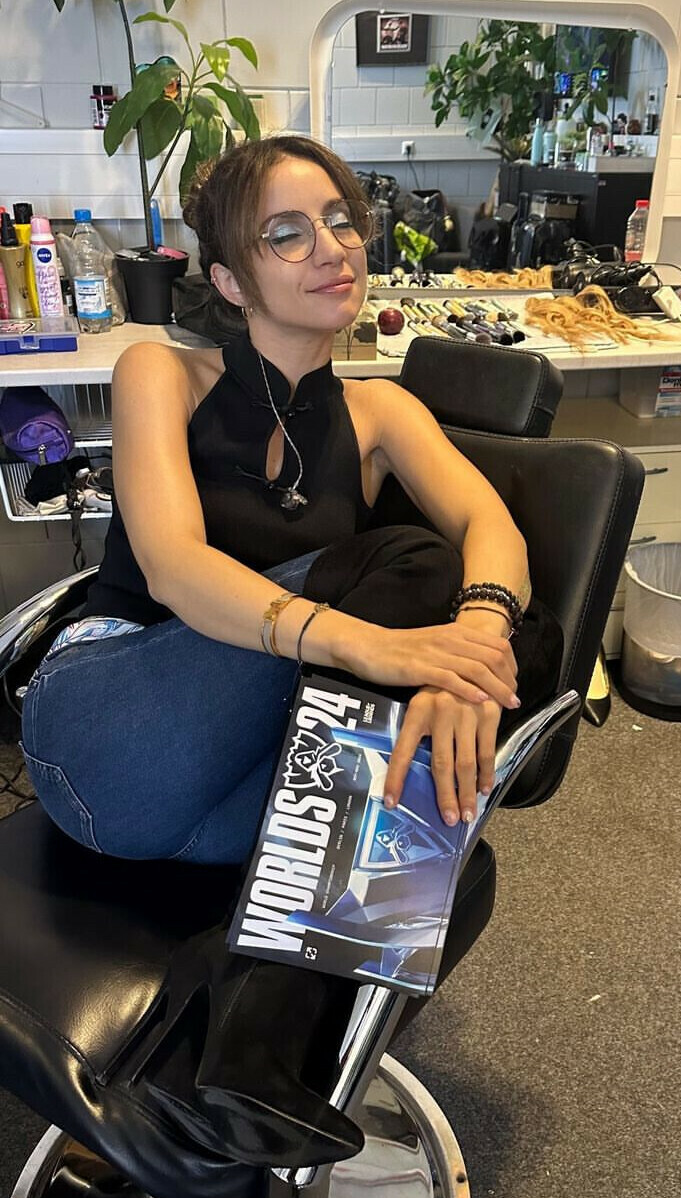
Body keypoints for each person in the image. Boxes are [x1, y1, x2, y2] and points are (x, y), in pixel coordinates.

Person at [20, 134, 550, 870]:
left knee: (499, 616)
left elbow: (490, 523)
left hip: (237, 797)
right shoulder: (162, 373)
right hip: (116, 733)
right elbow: (173, 566)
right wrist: (372, 645)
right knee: (417, 559)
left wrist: (470, 654)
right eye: (287, 235)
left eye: (340, 222)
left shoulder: (381, 410)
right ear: (232, 282)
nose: (333, 249)